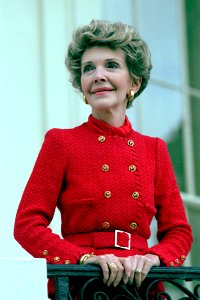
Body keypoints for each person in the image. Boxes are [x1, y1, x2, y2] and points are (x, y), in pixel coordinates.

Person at [14, 19, 193, 299]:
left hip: (142, 288)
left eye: (111, 65)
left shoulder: (154, 149)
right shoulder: (61, 142)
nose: (98, 75)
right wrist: (83, 259)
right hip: (81, 285)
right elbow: (27, 226)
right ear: (82, 85)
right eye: (88, 68)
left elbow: (179, 232)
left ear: (134, 81)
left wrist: (154, 258)